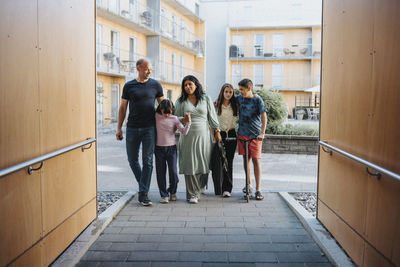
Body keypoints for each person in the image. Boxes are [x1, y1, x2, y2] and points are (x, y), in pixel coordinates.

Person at [116, 58, 164, 206]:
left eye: (150, 69)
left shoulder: (156, 85)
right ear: (138, 68)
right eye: (146, 68)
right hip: (132, 128)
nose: (149, 71)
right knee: (132, 160)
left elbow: (164, 106)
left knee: (148, 161)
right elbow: (123, 108)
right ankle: (143, 185)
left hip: (150, 128)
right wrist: (119, 128)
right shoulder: (129, 86)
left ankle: (143, 194)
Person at [174, 75, 222, 204]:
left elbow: (212, 116)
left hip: (204, 136)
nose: (188, 87)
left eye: (190, 84)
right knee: (190, 164)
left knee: (202, 163)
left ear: (196, 85)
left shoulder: (205, 98)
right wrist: (183, 119)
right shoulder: (180, 101)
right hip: (187, 136)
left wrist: (217, 131)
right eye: (185, 85)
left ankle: (198, 188)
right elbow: (174, 118)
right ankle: (192, 194)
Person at [154, 99, 191, 203]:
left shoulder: (174, 118)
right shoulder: (156, 116)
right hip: (158, 149)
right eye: (165, 113)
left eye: (169, 112)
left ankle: (173, 192)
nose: (167, 115)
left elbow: (183, 132)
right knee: (160, 173)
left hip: (171, 148)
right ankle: (164, 195)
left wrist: (189, 122)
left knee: (173, 172)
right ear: (161, 110)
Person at [236, 79, 267, 200]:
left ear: (249, 88)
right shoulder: (239, 98)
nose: (240, 92)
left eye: (242, 90)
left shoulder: (257, 100)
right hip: (242, 134)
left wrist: (262, 133)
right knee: (245, 159)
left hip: (255, 135)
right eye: (240, 90)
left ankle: (258, 189)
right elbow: (227, 100)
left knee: (256, 161)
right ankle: (249, 184)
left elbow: (264, 117)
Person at [214, 83, 238, 197]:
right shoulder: (216, 105)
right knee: (220, 162)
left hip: (232, 134)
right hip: (220, 134)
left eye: (230, 92)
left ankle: (227, 189)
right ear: (222, 92)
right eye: (226, 92)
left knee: (229, 162)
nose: (228, 94)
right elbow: (212, 121)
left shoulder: (236, 105)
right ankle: (219, 188)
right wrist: (215, 133)